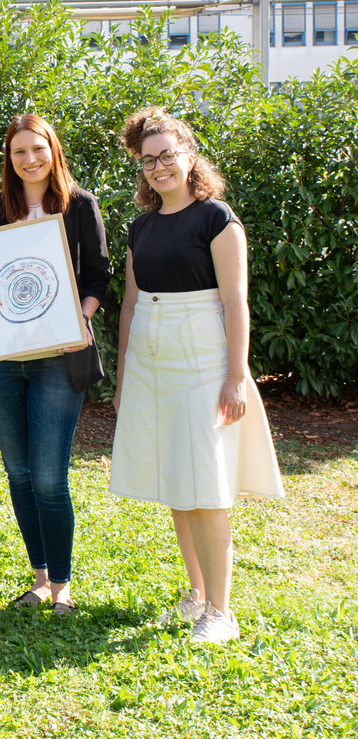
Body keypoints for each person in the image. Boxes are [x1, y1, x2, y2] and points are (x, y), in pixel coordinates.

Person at [110, 107, 283, 644]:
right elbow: (132, 305)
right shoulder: (141, 225)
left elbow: (235, 301)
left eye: (167, 155)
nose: (159, 166)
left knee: (206, 486)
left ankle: (222, 612)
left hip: (202, 355)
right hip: (149, 356)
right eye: (148, 160)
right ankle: (197, 596)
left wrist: (236, 375)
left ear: (188, 155)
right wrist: (122, 377)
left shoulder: (217, 218)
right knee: (176, 483)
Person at [0, 115, 111, 615]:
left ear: (53, 150)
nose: (29, 159)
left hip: (59, 359)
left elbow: (98, 277)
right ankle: (39, 578)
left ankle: (63, 586)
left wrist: (80, 321)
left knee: (49, 477)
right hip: (2, 361)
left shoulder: (80, 205)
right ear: (9, 158)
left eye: (37, 149)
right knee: (20, 473)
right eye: (18, 152)